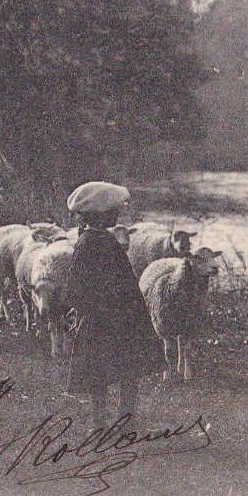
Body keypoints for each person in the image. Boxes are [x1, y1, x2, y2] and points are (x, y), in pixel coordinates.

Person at [62, 181, 164, 429]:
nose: (117, 215)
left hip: (118, 317)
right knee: (108, 372)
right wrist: (87, 310)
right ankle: (104, 424)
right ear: (101, 214)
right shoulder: (91, 244)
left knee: (120, 370)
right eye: (113, 211)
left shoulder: (100, 240)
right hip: (109, 318)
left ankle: (120, 421)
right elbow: (78, 285)